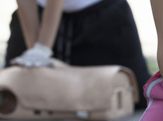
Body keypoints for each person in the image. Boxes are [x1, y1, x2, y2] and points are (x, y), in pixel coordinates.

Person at [4, 0, 150, 108]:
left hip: (102, 18)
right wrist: (33, 50)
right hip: (37, 18)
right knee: (11, 100)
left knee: (134, 98)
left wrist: (43, 48)